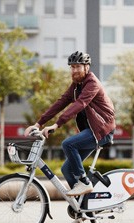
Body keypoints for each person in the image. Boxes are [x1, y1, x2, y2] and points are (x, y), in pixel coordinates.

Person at [24, 51, 116, 199]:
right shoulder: (76, 86)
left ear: (86, 67)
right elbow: (61, 102)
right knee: (66, 169)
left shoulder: (92, 83)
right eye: (72, 67)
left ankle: (84, 182)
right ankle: (82, 206)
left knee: (68, 144)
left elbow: (80, 104)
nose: (74, 70)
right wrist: (38, 123)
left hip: (102, 131)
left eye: (78, 67)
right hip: (90, 131)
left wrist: (56, 124)